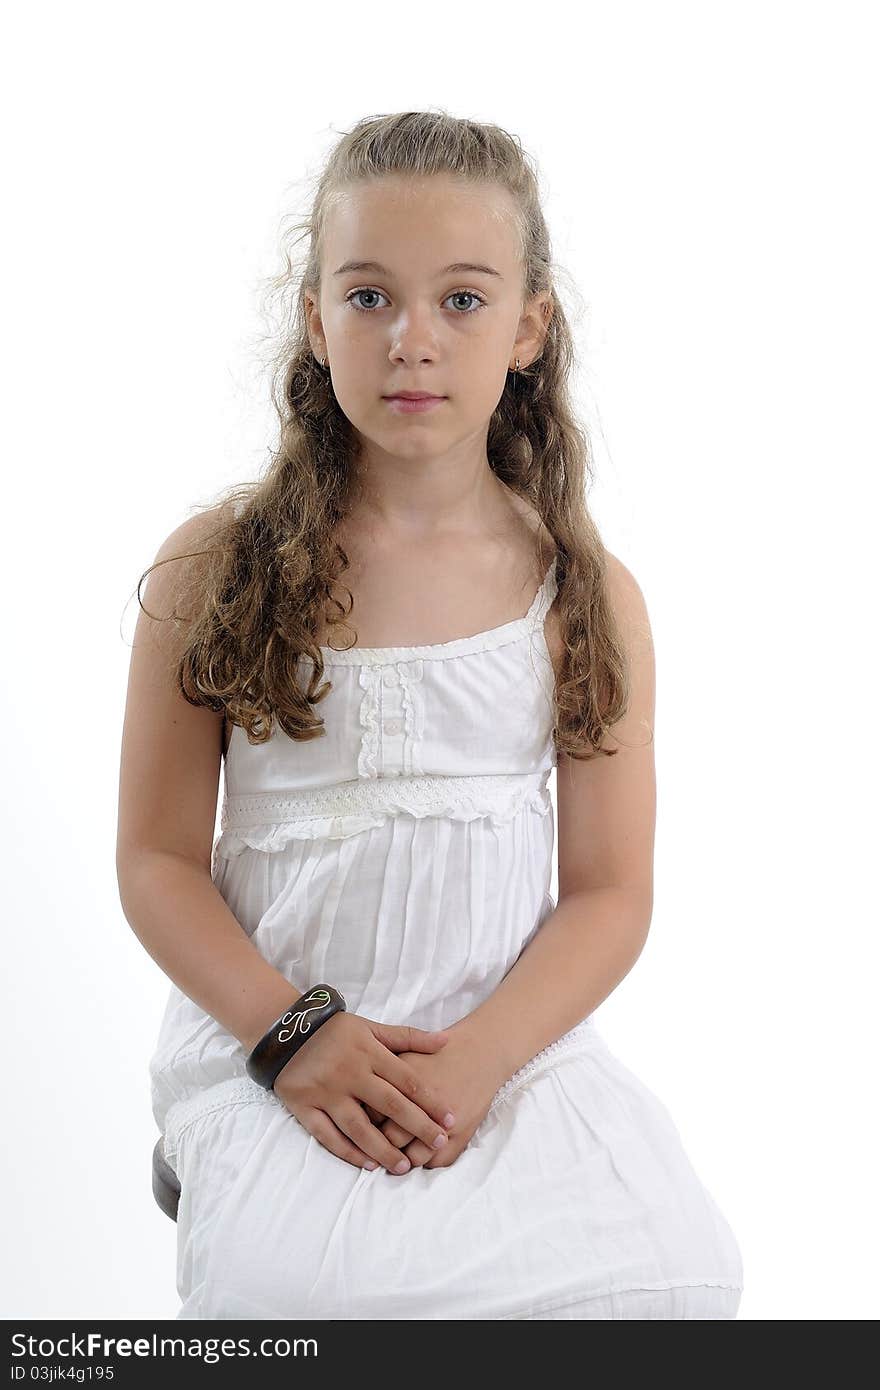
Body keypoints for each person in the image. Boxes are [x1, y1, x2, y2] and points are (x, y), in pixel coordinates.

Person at [117, 110, 744, 1320]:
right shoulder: (214, 569)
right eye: (369, 297)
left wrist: (480, 1061)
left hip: (504, 1049)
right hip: (279, 1042)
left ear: (527, 328)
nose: (413, 340)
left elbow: (609, 891)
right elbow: (153, 860)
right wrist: (294, 1036)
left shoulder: (583, 591)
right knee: (299, 1303)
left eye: (462, 301)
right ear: (314, 318)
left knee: (676, 1270)